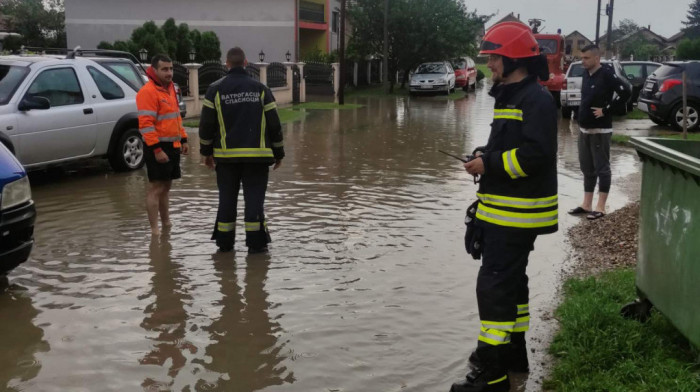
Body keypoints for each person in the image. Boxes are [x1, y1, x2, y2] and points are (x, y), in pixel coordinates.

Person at [450, 22, 559, 392]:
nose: (490, 64)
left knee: (494, 286)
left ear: (513, 58)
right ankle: (513, 354)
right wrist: (485, 154)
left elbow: (537, 156)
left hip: (517, 214)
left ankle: (491, 374)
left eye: (494, 57)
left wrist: (489, 165)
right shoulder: (512, 95)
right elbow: (511, 145)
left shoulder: (536, 100)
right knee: (513, 283)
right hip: (505, 212)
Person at [199, 47, 284, 253]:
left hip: (226, 159)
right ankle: (256, 246)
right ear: (245, 63)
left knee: (226, 201)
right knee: (254, 202)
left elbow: (206, 126)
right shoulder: (261, 89)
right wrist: (279, 153)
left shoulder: (214, 90)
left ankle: (225, 245)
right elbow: (274, 125)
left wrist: (206, 152)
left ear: (226, 64)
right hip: (257, 159)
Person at [569, 45, 630, 220]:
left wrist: (606, 110)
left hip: (600, 129)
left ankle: (601, 207)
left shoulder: (607, 74)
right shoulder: (585, 74)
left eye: (586, 58)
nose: (583, 61)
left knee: (602, 168)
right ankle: (586, 204)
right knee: (587, 167)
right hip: (584, 129)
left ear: (597, 58)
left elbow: (626, 92)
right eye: (582, 58)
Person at [137, 54, 189, 236]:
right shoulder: (148, 92)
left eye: (171, 68)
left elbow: (176, 117)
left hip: (172, 146)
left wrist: (183, 139)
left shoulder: (171, 89)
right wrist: (157, 150)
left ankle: (166, 224)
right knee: (156, 187)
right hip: (157, 147)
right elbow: (145, 125)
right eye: (164, 69)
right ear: (154, 70)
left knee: (166, 187)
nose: (169, 73)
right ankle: (154, 230)